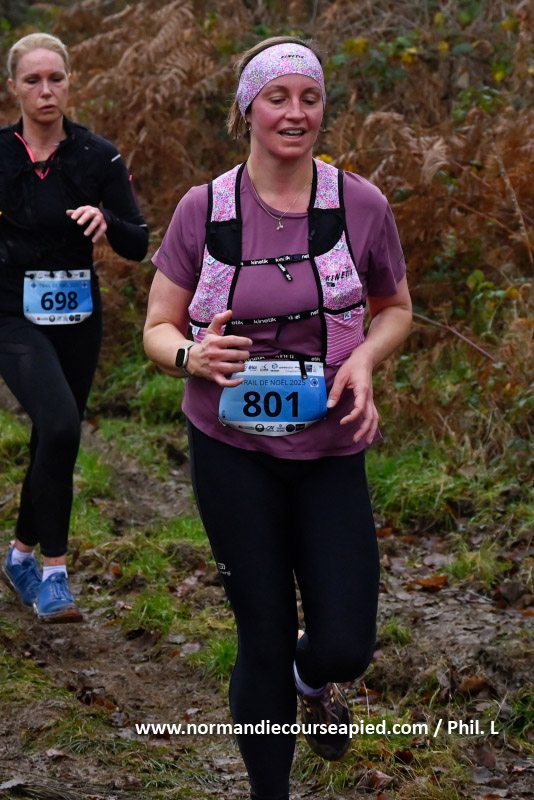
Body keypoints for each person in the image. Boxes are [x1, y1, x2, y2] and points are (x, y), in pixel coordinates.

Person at [144, 36, 411, 800]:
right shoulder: (205, 209)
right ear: (247, 109)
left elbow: (395, 308)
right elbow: (157, 327)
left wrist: (364, 359)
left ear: (323, 108)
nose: (295, 113)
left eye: (309, 98)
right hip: (231, 448)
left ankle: (312, 677)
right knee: (259, 633)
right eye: (277, 98)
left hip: (330, 445)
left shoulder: (360, 205)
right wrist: (192, 355)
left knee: (346, 643)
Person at [0, 33, 148, 623]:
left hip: (77, 316)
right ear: (13, 87)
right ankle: (54, 575)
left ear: (69, 83)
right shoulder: (1, 154)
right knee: (61, 424)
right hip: (11, 314)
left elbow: (138, 243)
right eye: (33, 80)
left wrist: (106, 219)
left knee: (53, 435)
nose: (46, 90)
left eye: (55, 78)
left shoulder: (97, 156)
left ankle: (18, 556)